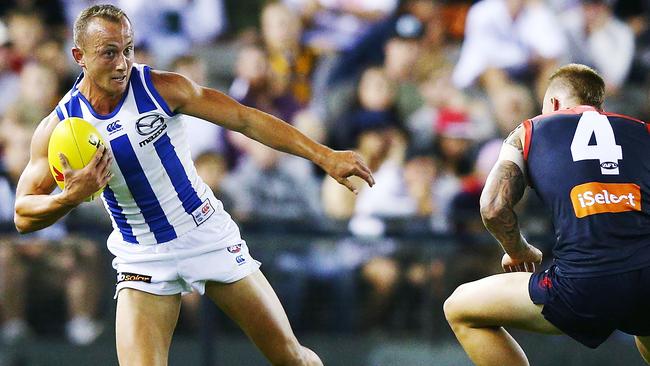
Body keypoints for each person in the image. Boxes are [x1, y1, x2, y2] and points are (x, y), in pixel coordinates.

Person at [13, 4, 374, 366]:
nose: (122, 63)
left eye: (128, 49)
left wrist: (323, 155)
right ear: (79, 56)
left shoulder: (161, 88)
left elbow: (246, 120)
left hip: (207, 235)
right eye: (109, 52)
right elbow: (23, 215)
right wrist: (69, 198)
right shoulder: (59, 126)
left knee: (291, 358)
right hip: (142, 256)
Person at [444, 63, 650, 365]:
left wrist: (517, 250)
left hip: (582, 285)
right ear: (599, 105)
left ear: (552, 103)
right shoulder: (643, 131)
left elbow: (493, 206)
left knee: (460, 308)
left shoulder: (530, 130)